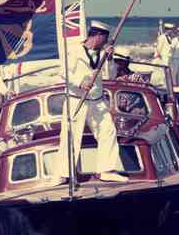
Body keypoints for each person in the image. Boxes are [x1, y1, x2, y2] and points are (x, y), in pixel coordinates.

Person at [53, 20, 128, 184]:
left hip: (97, 100)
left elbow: (110, 76)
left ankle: (106, 170)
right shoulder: (74, 51)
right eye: (105, 39)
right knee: (71, 135)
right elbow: (62, 73)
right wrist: (79, 82)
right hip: (76, 100)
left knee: (108, 131)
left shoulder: (103, 53)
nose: (106, 43)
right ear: (98, 36)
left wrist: (109, 59)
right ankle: (63, 174)